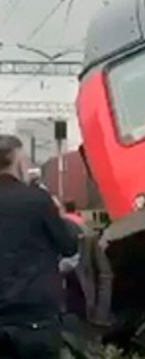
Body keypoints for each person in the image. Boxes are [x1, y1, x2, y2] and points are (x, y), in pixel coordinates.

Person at [0, 135, 79, 359]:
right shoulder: (37, 199)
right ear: (17, 161)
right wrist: (62, 218)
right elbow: (69, 247)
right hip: (35, 315)